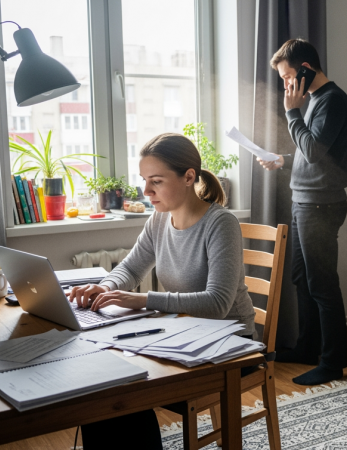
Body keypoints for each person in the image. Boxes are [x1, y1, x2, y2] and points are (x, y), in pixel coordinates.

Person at [68, 132, 256, 450]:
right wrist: (105, 287)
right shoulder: (159, 219)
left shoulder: (220, 224)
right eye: (144, 180)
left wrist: (142, 299)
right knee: (103, 382)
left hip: (230, 343)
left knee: (126, 389)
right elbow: (129, 269)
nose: (146, 191)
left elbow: (219, 304)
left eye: (156, 180)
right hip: (184, 331)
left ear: (188, 177)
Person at [257, 38, 347, 386]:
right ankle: (307, 348)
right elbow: (311, 151)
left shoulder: (334, 101)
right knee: (301, 278)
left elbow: (312, 150)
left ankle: (332, 362)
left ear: (305, 69)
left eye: (287, 77)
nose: (285, 85)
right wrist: (282, 160)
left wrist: (291, 111)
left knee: (323, 285)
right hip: (303, 201)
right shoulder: (315, 101)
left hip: (321, 205)